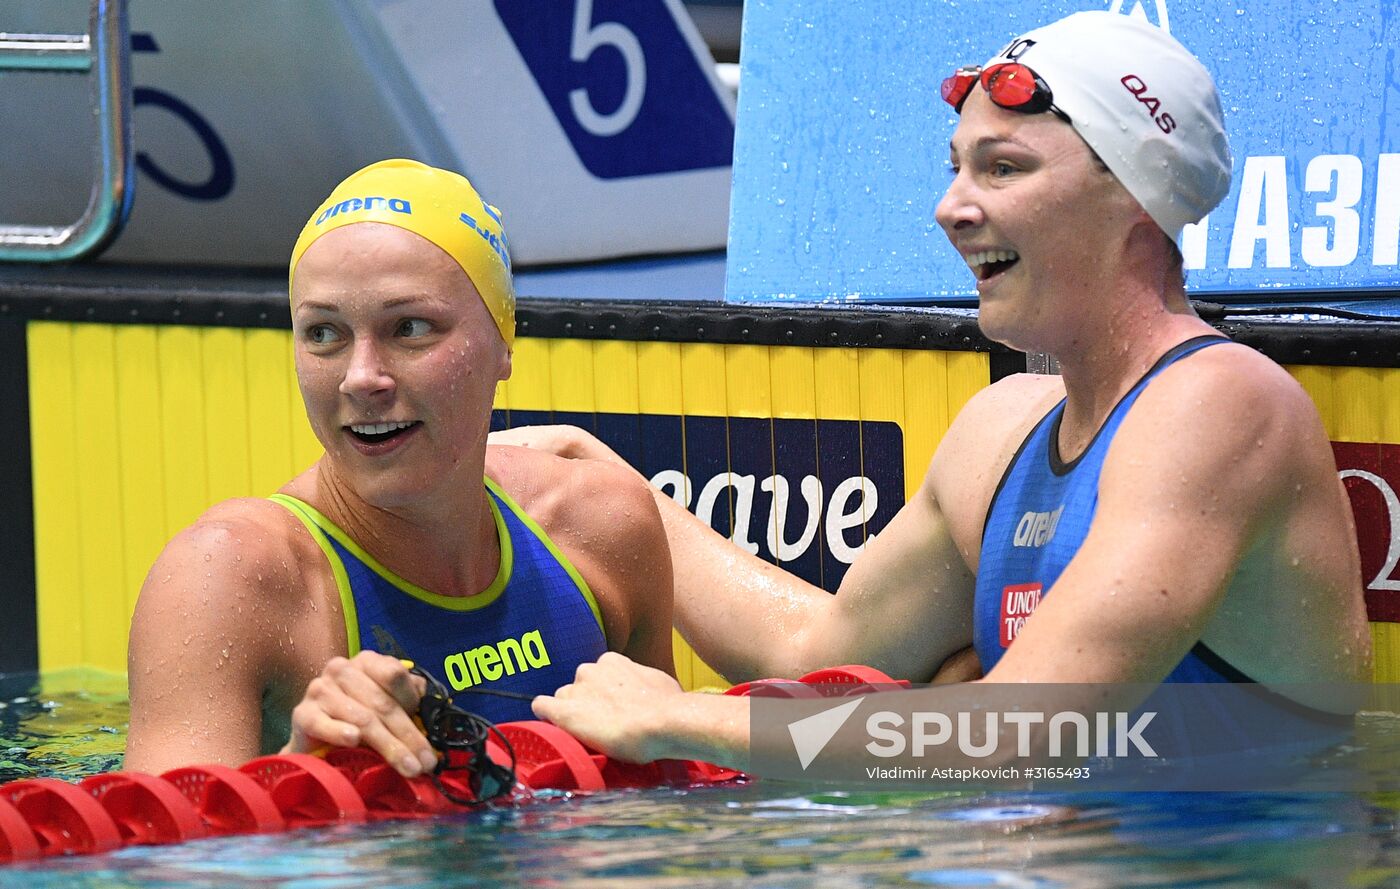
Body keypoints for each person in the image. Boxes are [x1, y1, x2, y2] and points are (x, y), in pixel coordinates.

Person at [504, 12, 1372, 771]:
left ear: (1133, 198)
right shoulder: (1002, 434)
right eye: (956, 167)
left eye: (1002, 169)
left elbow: (1025, 732)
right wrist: (609, 484)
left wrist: (685, 717)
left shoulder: (1221, 406)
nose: (949, 207)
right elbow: (818, 653)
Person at [125, 159, 674, 777]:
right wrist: (297, 778)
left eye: (409, 328)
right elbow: (161, 858)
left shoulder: (599, 527)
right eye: (324, 333)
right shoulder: (225, 582)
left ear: (501, 343)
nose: (362, 378)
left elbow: (673, 802)